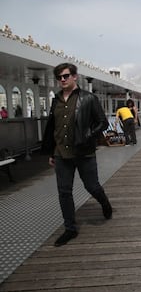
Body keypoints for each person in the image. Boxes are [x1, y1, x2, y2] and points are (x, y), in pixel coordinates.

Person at [41, 63, 112, 247]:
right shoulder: (56, 100)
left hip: (84, 152)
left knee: (92, 186)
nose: (62, 80)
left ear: (75, 76)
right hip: (61, 153)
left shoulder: (88, 98)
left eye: (65, 76)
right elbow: (53, 127)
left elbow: (103, 123)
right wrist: (51, 151)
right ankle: (70, 229)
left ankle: (104, 202)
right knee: (64, 192)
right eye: (59, 77)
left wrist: (88, 135)